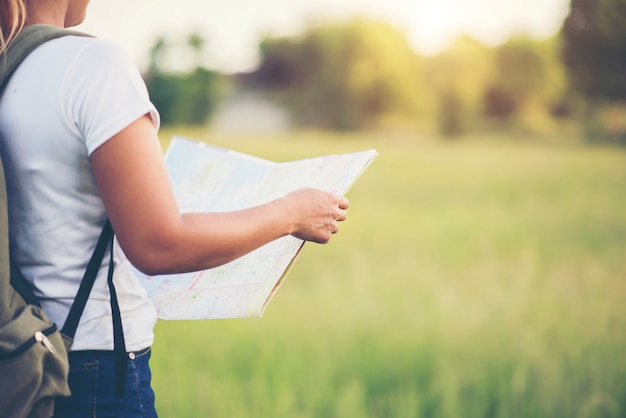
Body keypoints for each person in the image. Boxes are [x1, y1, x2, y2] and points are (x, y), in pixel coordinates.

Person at [0, 0, 350, 416]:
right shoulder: (93, 67)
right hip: (91, 372)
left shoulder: (9, 69)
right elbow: (158, 245)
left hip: (20, 362)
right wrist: (292, 212)